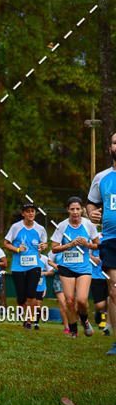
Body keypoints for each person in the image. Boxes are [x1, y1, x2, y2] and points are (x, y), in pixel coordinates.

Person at [50, 196, 99, 338]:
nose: (76, 212)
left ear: (82, 209)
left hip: (84, 267)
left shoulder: (89, 225)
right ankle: (73, 331)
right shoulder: (62, 226)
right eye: (72, 209)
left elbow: (97, 244)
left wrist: (87, 244)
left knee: (82, 300)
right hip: (66, 267)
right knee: (69, 300)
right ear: (67, 210)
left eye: (78, 209)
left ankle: (84, 320)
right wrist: (70, 245)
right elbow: (54, 249)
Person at [87, 131, 116, 356]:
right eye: (115, 142)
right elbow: (91, 204)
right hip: (110, 239)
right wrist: (92, 214)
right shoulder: (102, 177)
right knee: (114, 290)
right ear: (110, 148)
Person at [4, 203, 48, 330]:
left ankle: (28, 321)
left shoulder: (40, 229)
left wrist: (43, 246)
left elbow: (44, 244)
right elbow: (6, 244)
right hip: (18, 266)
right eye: (28, 211)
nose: (30, 213)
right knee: (21, 296)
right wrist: (18, 249)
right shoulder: (15, 227)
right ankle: (22, 309)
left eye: (33, 211)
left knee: (31, 294)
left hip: (34, 265)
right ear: (23, 213)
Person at [90, 234, 110, 335]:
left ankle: (105, 325)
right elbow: (86, 253)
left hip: (110, 275)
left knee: (109, 301)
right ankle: (98, 313)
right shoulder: (95, 237)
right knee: (100, 305)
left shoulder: (112, 237)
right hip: (96, 275)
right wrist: (93, 258)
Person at [47, 251, 70, 335]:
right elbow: (49, 261)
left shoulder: (74, 245)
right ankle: (67, 327)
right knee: (62, 303)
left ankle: (74, 323)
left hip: (72, 276)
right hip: (58, 277)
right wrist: (56, 266)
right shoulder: (56, 247)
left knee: (71, 303)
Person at [34, 252, 52, 329]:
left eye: (39, 248)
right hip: (30, 285)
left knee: (38, 304)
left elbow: (51, 272)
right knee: (31, 303)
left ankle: (36, 323)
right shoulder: (28, 257)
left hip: (41, 286)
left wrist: (44, 273)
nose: (37, 250)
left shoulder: (45, 259)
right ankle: (28, 320)